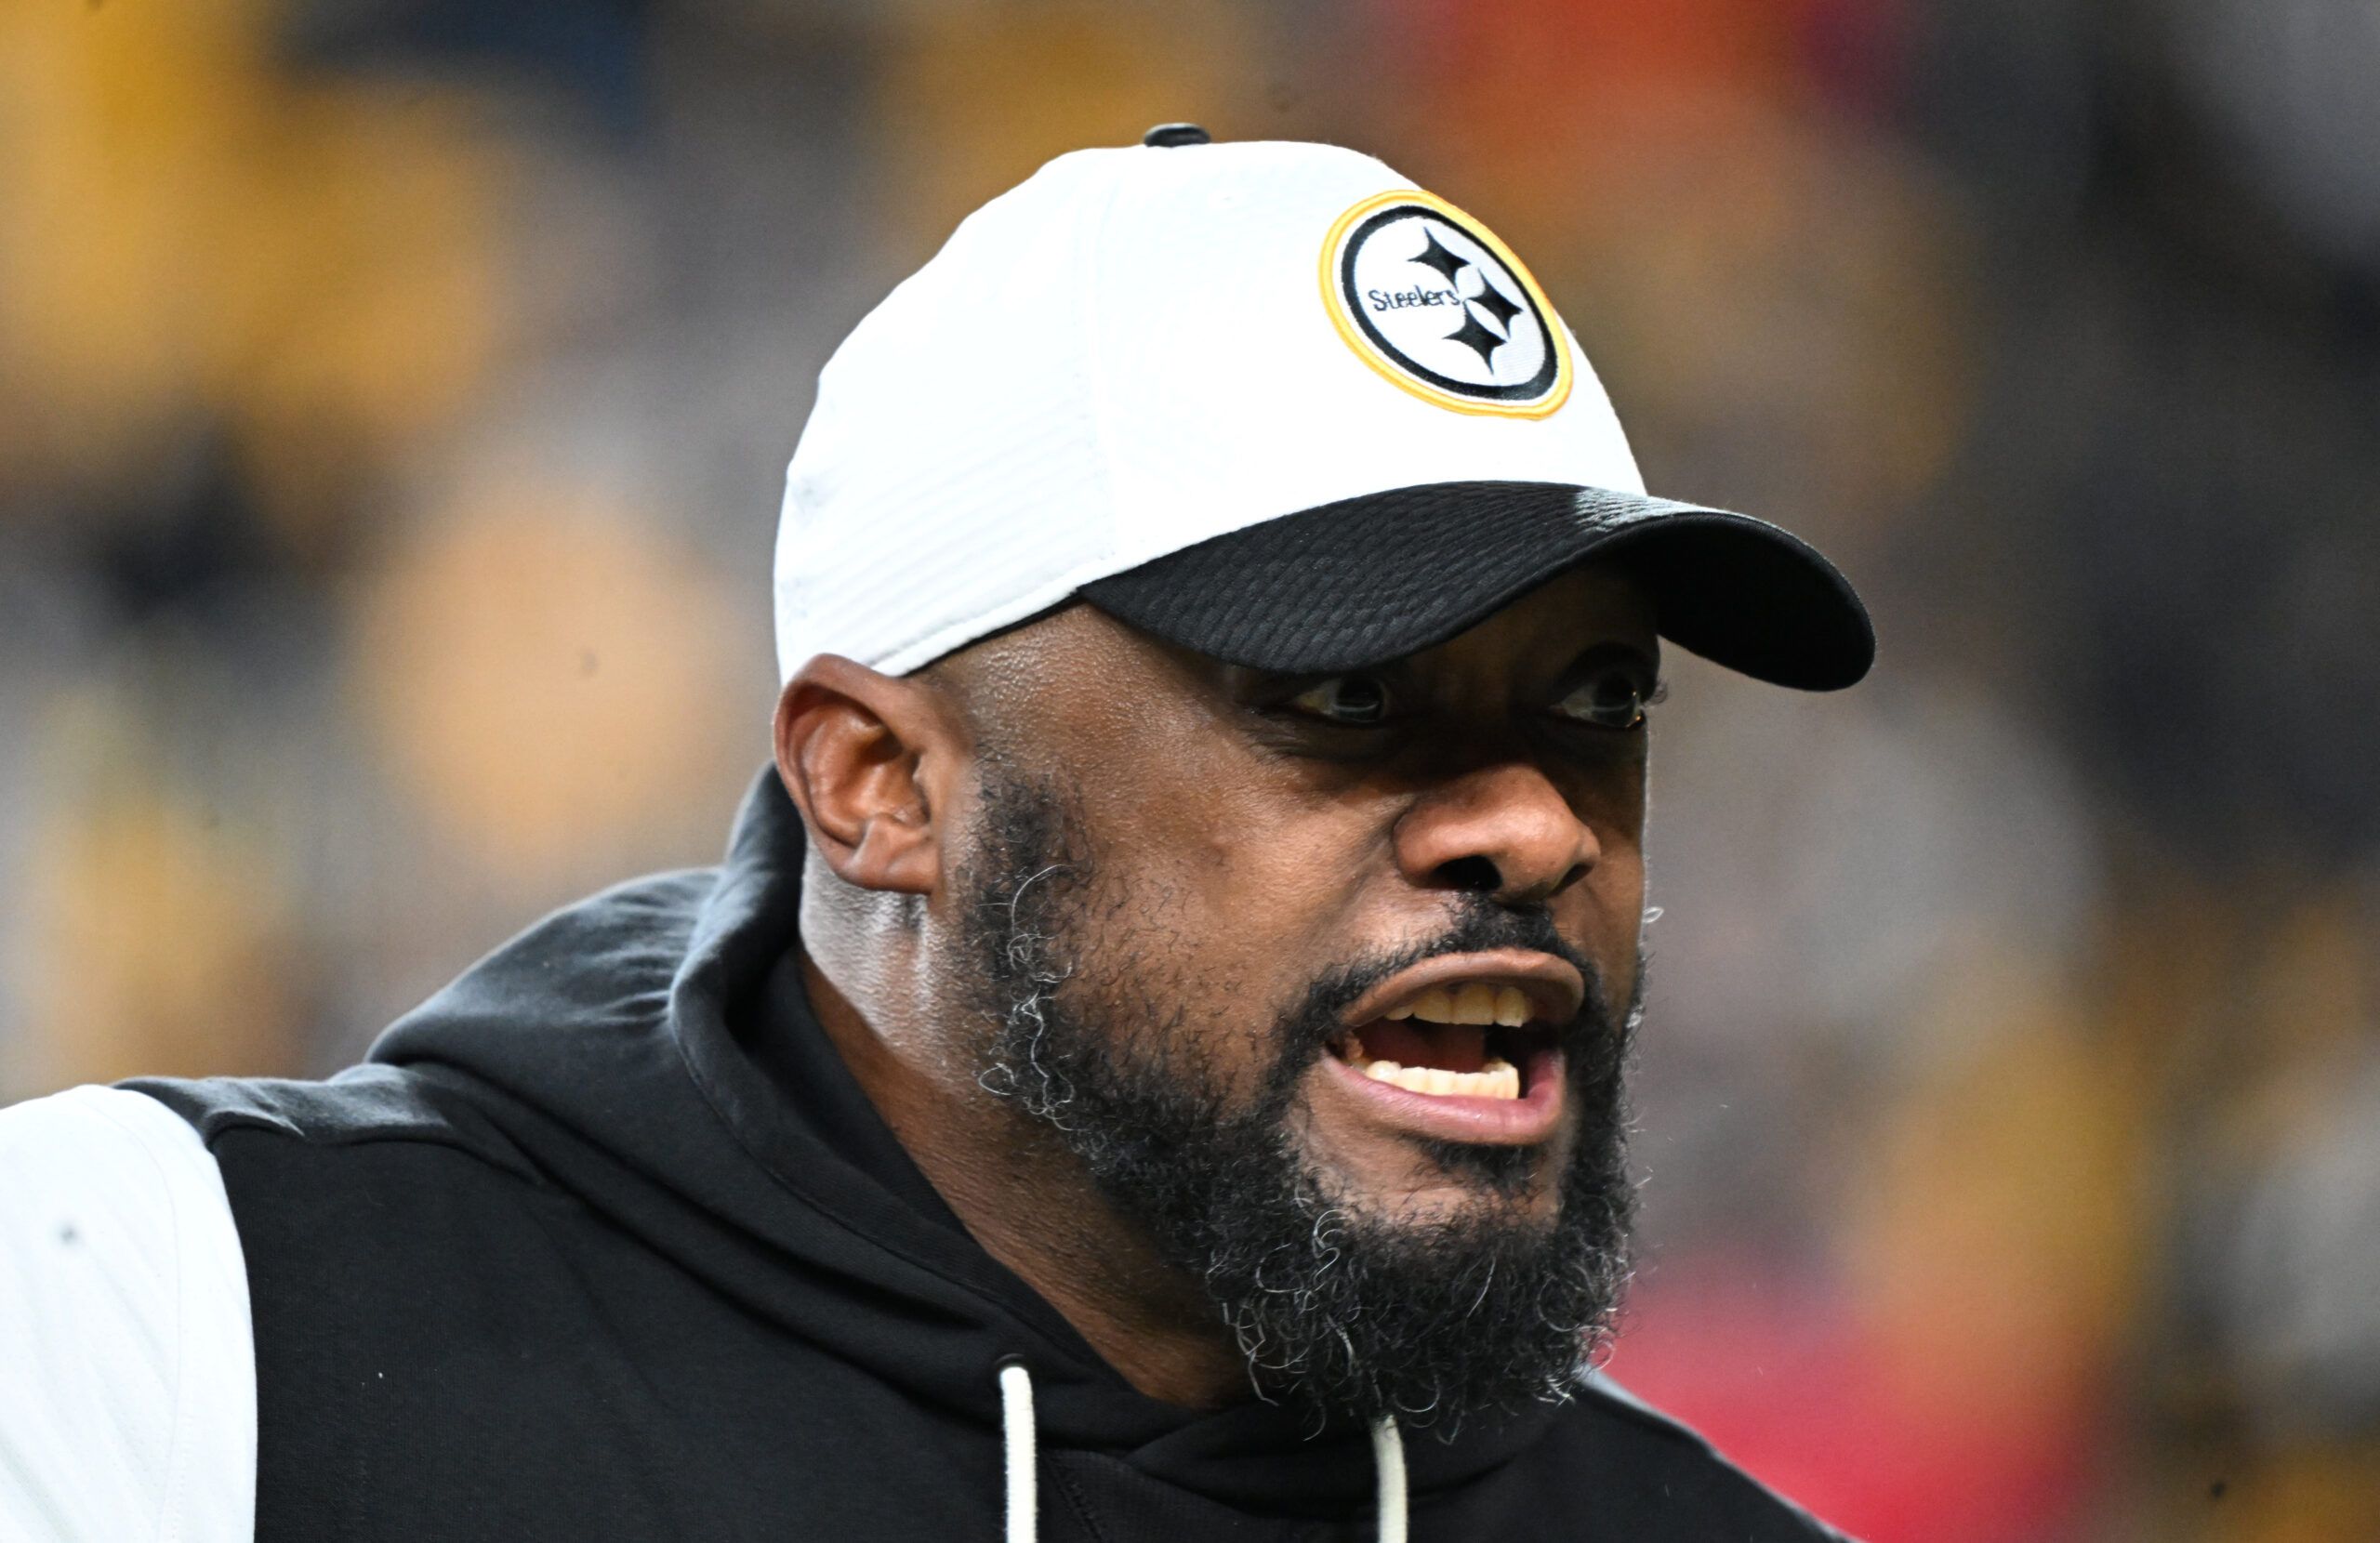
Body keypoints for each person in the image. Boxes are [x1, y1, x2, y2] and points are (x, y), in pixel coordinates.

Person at [0, 126, 1872, 1541]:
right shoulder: (177, 1331)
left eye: (1598, 698)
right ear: (878, 786)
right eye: (1348, 694)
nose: (1536, 820)